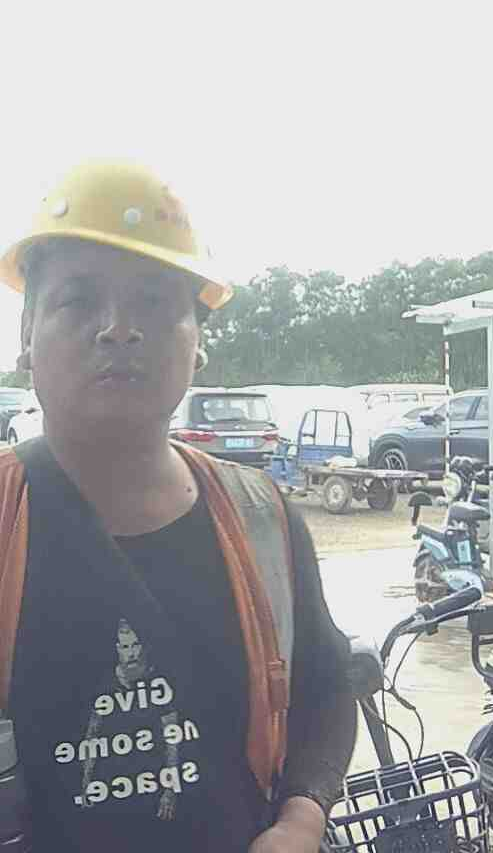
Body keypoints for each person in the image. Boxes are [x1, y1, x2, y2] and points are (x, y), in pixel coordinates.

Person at [0, 163, 356, 853]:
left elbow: (325, 686)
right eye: (77, 299)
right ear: (26, 337)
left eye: (155, 301)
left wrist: (302, 818)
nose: (118, 329)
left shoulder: (262, 518)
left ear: (198, 344)